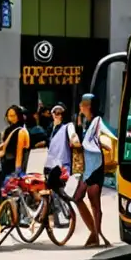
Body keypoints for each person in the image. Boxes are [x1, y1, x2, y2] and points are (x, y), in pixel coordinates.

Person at [43, 104, 96, 241]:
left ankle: (94, 231)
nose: (56, 115)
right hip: (51, 167)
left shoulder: (68, 126)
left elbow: (73, 135)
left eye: (60, 112)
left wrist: (75, 140)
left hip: (63, 169)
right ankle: (50, 220)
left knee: (76, 198)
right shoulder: (52, 129)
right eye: (54, 112)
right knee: (52, 194)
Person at [0, 104, 30, 215]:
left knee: (12, 196)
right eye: (9, 116)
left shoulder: (21, 131)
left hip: (13, 168)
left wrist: (17, 172)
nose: (11, 118)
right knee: (1, 196)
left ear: (19, 116)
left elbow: (19, 153)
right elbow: (1, 149)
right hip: (4, 166)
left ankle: (15, 219)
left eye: (13, 115)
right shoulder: (7, 131)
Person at [78, 94, 112, 248]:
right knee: (78, 197)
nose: (81, 106)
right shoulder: (87, 122)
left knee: (94, 201)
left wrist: (102, 144)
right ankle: (95, 232)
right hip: (87, 168)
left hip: (96, 167)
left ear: (89, 106)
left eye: (83, 104)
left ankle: (96, 235)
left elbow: (106, 139)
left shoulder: (97, 122)